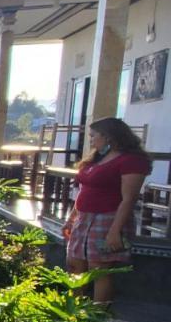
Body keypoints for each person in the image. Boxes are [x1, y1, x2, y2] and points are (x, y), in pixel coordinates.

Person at [64, 117, 152, 303]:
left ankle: (97, 316)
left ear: (108, 136)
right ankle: (72, 312)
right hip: (84, 218)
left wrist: (114, 232)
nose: (91, 140)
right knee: (74, 264)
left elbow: (129, 199)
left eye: (93, 135)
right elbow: (84, 190)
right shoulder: (97, 158)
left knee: (100, 270)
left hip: (108, 219)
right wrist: (72, 217)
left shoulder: (132, 161)